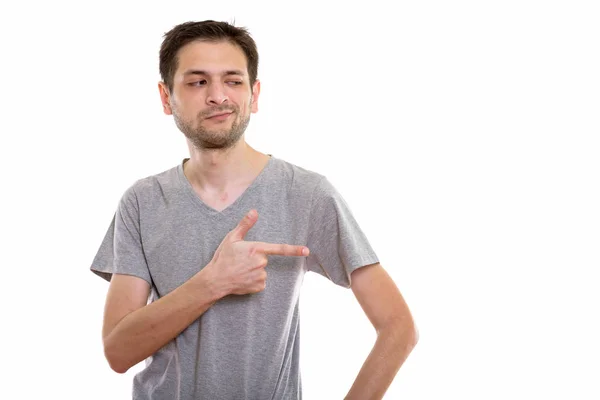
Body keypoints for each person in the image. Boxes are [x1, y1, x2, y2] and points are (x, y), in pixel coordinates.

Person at [90, 20, 418, 400]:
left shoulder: (306, 194)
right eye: (197, 82)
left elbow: (398, 327)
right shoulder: (142, 202)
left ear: (254, 94)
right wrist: (214, 282)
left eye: (233, 81)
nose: (218, 96)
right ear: (166, 98)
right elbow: (118, 352)